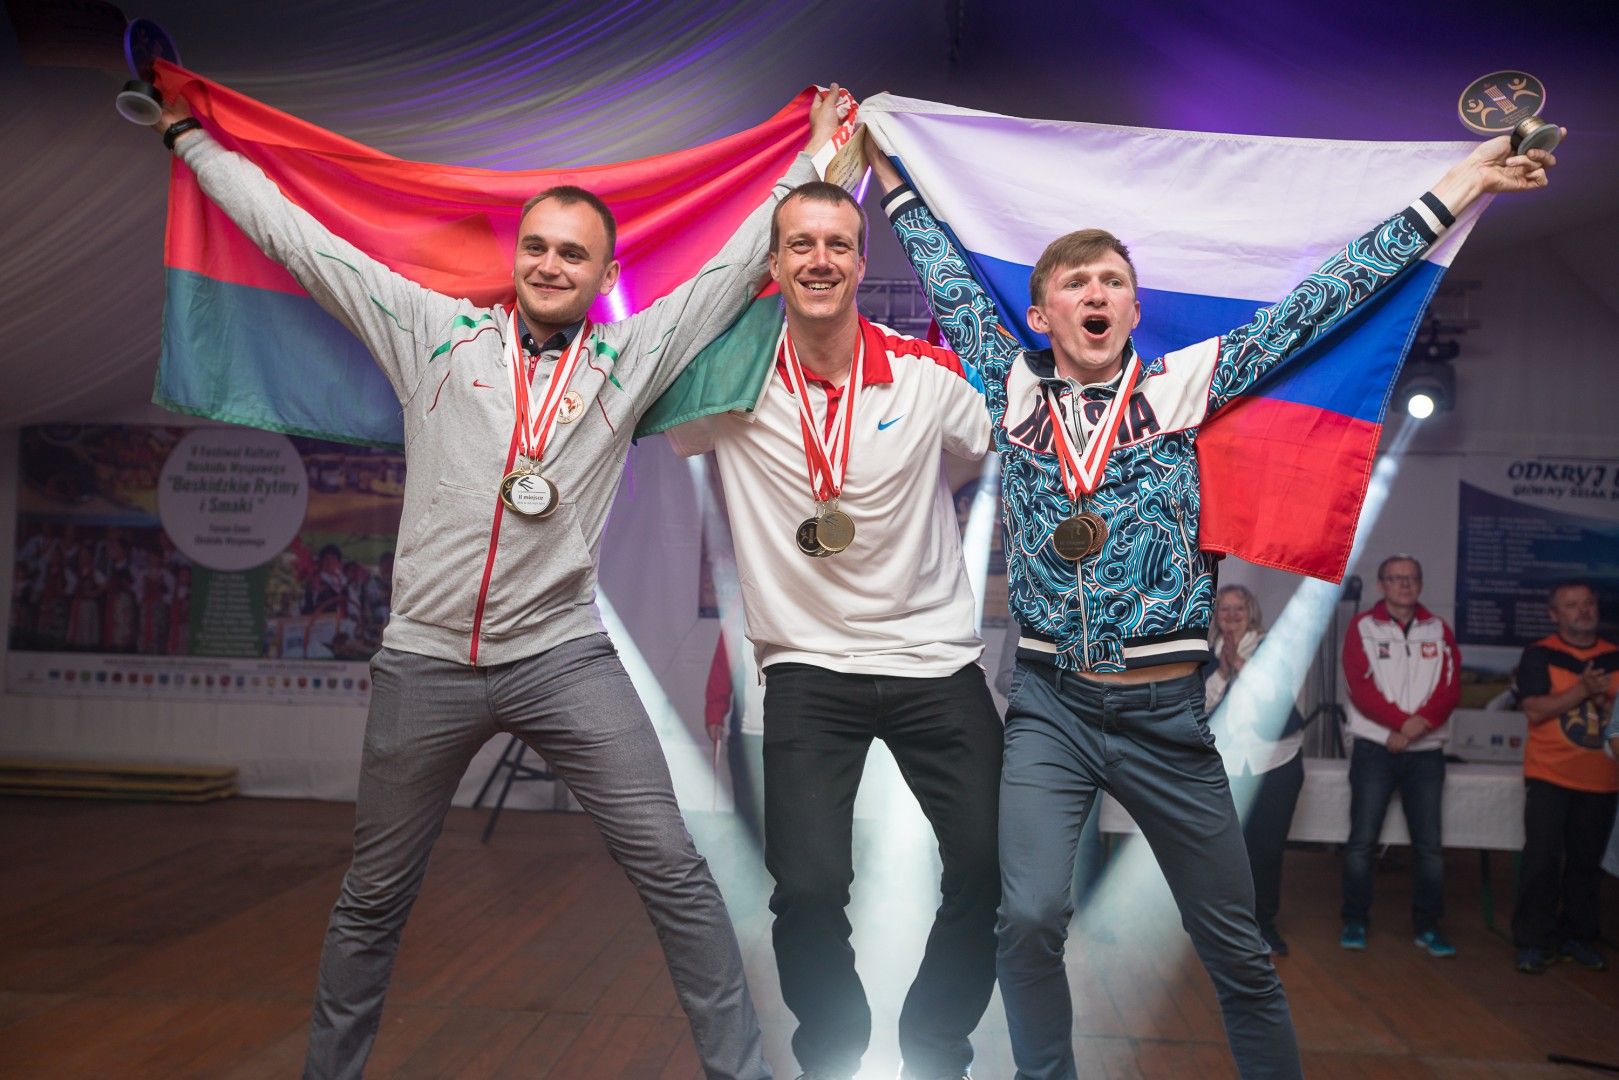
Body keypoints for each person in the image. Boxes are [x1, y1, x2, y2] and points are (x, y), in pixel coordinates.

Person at [154, 84, 838, 1079]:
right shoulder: (429, 332)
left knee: (673, 869)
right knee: (373, 898)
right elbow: (296, 239)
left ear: (605, 273)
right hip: (424, 664)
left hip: (561, 659)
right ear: (515, 257)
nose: (551, 265)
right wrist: (187, 137)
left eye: (573, 254)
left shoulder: (629, 357)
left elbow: (738, 265)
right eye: (537, 248)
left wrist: (813, 156)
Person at [871, 133, 1556, 1079]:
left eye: (1113, 281)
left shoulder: (1181, 385)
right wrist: (890, 168)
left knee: (1236, 945)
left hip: (1164, 719)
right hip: (1048, 710)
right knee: (1024, 918)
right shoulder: (1010, 384)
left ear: (1133, 308)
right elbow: (944, 275)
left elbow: (1323, 300)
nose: (1096, 293)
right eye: (1075, 282)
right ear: (1039, 312)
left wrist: (1459, 185)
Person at [668, 178, 1001, 1080]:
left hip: (935, 661)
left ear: (861, 261)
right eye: (799, 244)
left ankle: (935, 1045)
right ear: (772, 265)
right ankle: (833, 1054)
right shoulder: (729, 381)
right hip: (808, 668)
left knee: (991, 867)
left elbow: (1000, 440)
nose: (819, 260)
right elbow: (665, 338)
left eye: (837, 244)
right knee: (809, 891)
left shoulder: (924, 375)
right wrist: (815, 158)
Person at [1338, 554, 1461, 957]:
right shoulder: (1363, 627)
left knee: (1429, 847)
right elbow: (1359, 687)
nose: (1404, 585)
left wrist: (1416, 728)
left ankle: (1428, 926)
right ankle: (1355, 919)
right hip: (1375, 749)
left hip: (1425, 752)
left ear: (1420, 585)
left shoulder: (1438, 629)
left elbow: (1450, 688)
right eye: (1395, 578)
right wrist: (1401, 725)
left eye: (1411, 578)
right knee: (1362, 842)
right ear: (1381, 585)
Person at [1511, 581, 1619, 973]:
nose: (1583, 610)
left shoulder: (1614, 656)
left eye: (1588, 603)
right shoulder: (1539, 654)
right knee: (1541, 861)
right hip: (1549, 775)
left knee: (1586, 865)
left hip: (1602, 778)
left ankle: (1577, 937)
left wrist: (1602, 701)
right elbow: (1536, 710)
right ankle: (1533, 942)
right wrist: (1584, 690)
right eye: (1572, 605)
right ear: (1554, 615)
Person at [1206, 584, 1307, 958]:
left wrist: (1240, 665)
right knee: (1226, 851)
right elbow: (1200, 706)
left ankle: (1264, 924)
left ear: (1252, 613)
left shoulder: (1273, 647)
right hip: (1227, 765)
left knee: (1266, 849)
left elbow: (1274, 698)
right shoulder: (1205, 654)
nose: (1232, 616)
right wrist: (1222, 670)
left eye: (1239, 609)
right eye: (1224, 609)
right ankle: (1229, 927)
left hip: (1274, 762)